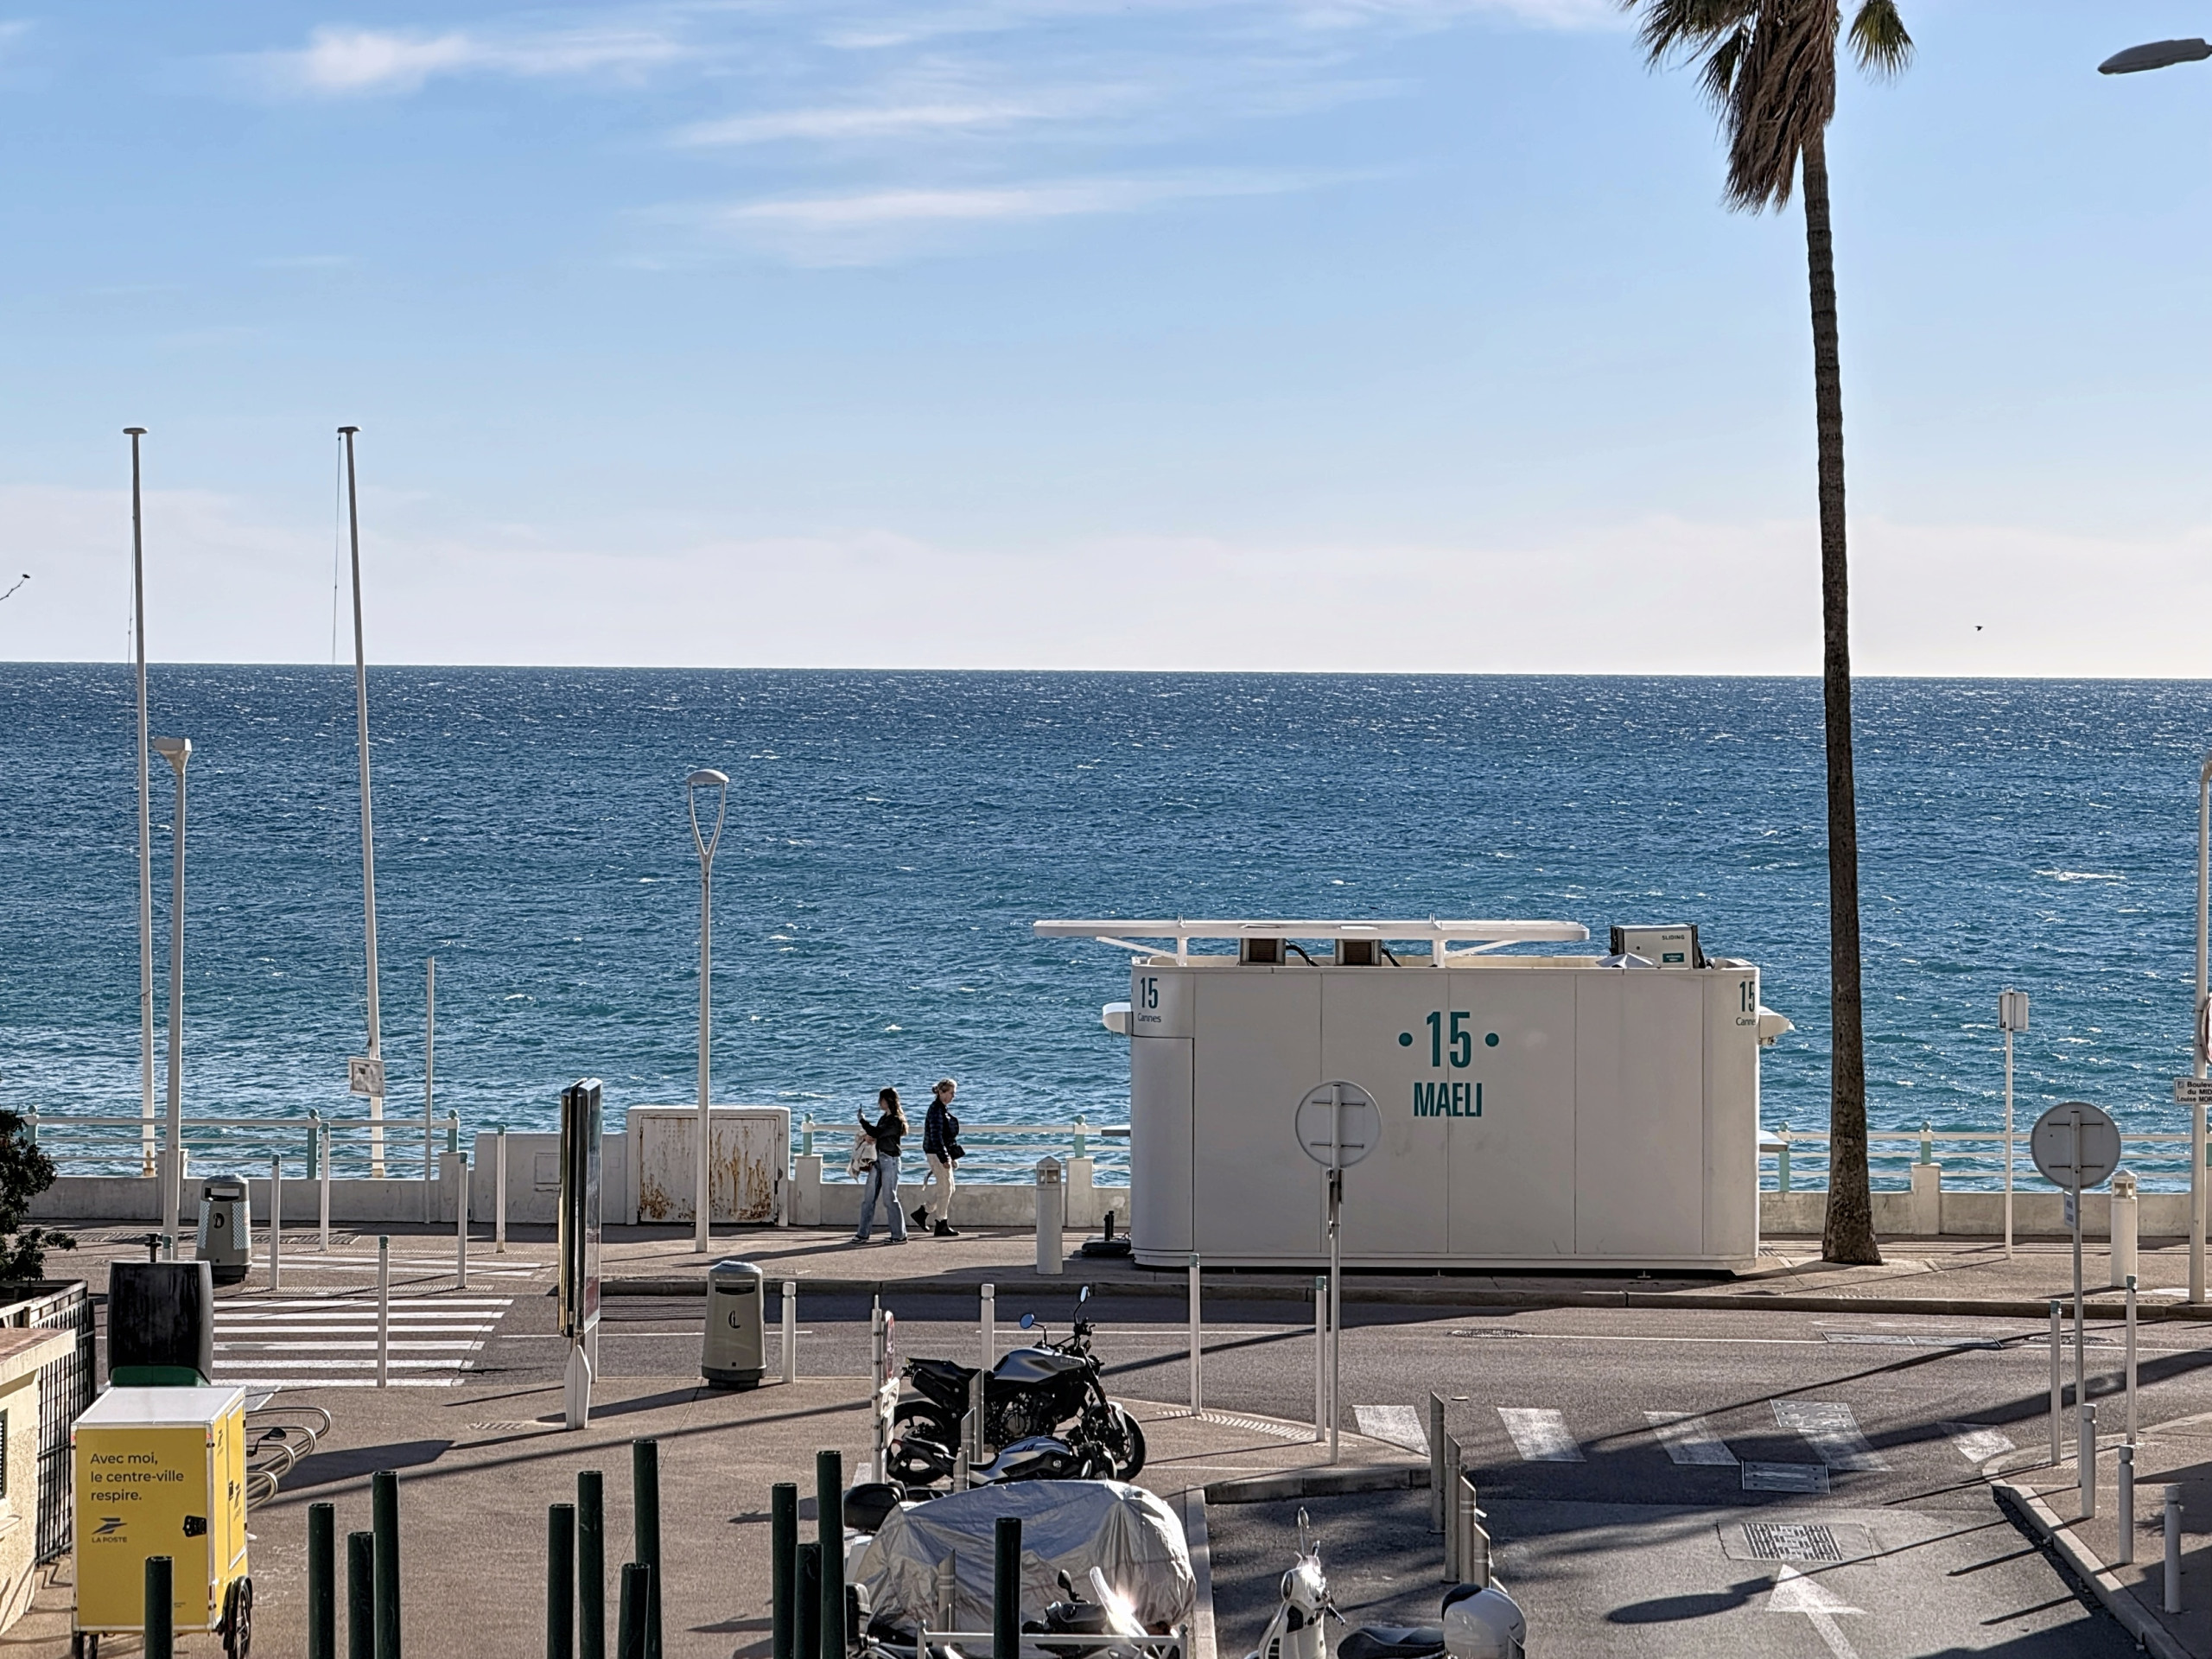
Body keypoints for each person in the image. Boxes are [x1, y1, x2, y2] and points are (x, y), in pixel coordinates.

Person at [852, 1087, 909, 1244]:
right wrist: (869, 1136)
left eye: (881, 1099)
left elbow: (878, 1133)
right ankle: (863, 1234)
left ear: (887, 1100)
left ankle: (899, 1235)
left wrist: (862, 1120)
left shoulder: (895, 1120)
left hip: (890, 1160)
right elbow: (878, 1133)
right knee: (868, 1198)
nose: (879, 1103)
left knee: (890, 1198)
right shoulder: (885, 1119)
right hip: (878, 1159)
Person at [912, 1077, 962, 1238]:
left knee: (948, 1188)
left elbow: (942, 1137)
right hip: (935, 1153)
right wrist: (944, 1158)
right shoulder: (936, 1110)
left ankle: (923, 1212)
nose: (953, 1096)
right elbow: (936, 1137)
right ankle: (941, 1223)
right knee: (946, 1188)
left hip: (938, 1152)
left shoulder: (941, 1109)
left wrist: (949, 1155)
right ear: (941, 1092)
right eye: (951, 1093)